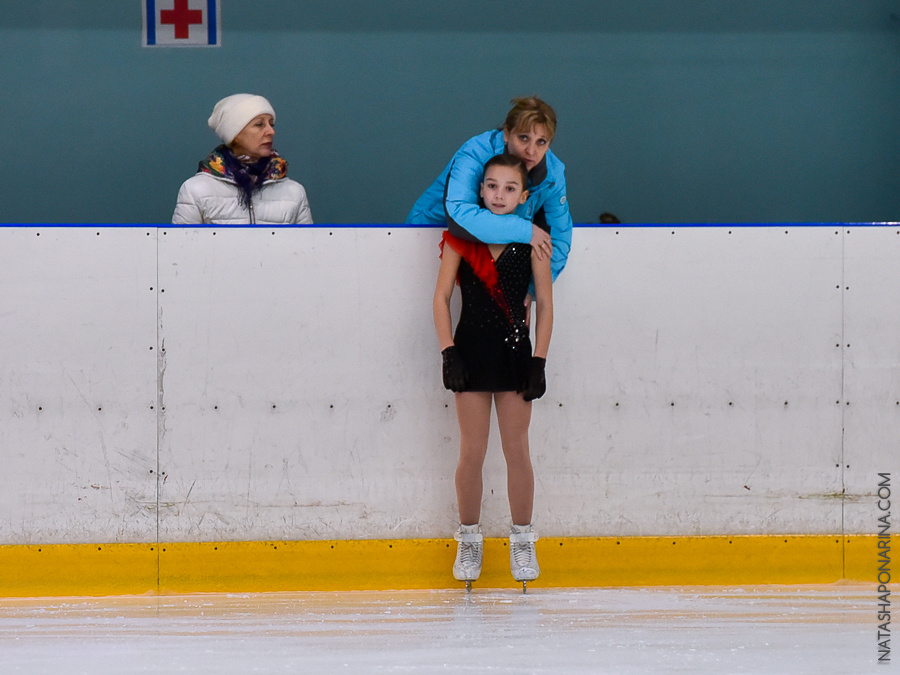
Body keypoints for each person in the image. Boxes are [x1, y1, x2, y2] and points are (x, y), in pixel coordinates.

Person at [433, 153, 554, 588]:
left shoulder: (535, 242)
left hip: (515, 356)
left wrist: (539, 360)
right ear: (479, 191)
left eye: (508, 188)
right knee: (472, 451)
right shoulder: (460, 240)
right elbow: (441, 297)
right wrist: (449, 352)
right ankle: (469, 537)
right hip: (470, 355)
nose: (498, 195)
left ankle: (522, 538)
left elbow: (545, 306)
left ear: (523, 197)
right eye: (491, 186)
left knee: (516, 450)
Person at [408, 96, 572, 291]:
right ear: (506, 133)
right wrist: (526, 231)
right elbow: (459, 214)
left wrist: (529, 291)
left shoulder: (553, 175)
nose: (531, 151)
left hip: (493, 250)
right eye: (524, 138)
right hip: (429, 240)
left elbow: (559, 239)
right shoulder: (475, 152)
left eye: (541, 142)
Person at [173, 94, 313, 225]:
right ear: (235, 135)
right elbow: (180, 248)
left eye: (271, 124)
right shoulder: (197, 190)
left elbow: (309, 249)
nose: (271, 131)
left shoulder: (294, 192)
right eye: (259, 124)